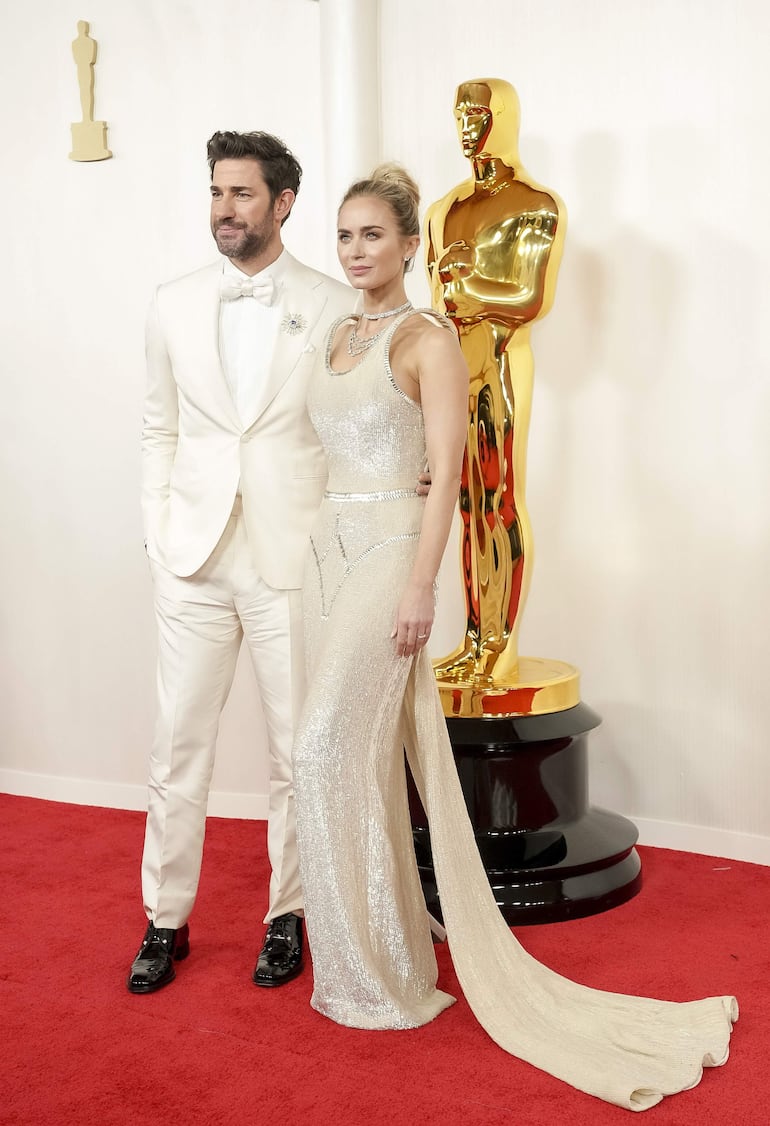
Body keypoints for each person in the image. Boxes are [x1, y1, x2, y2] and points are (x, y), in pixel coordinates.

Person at [291, 164, 738, 1111]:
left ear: (412, 245)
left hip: (387, 565)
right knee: (345, 758)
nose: (356, 250)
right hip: (321, 560)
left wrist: (421, 586)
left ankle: (384, 976)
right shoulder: (334, 335)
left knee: (327, 745)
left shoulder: (428, 340)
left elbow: (448, 477)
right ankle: (368, 956)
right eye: (344, 235)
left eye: (372, 234)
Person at [127, 130, 357, 994]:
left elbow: (342, 429)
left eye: (243, 194)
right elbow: (159, 426)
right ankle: (164, 920)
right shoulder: (172, 302)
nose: (225, 209)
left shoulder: (333, 305)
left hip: (288, 559)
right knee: (176, 743)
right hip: (192, 557)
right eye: (217, 192)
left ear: (284, 203)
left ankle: (286, 915)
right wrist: (158, 531)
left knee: (297, 751)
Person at [425, 77, 564, 687]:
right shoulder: (442, 208)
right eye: (459, 113)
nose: (465, 125)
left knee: (500, 498)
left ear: (502, 117)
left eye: (477, 113)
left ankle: (501, 648)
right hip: (454, 364)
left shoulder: (536, 204)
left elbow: (530, 297)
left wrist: (468, 278)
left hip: (503, 360)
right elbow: (438, 303)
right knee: (464, 503)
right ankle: (473, 638)